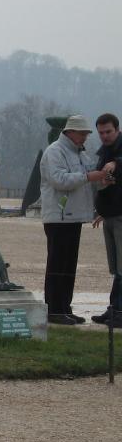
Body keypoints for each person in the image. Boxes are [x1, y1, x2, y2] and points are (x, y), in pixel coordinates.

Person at [39, 115, 111, 325]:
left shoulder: (79, 153)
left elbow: (88, 174)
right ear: (70, 132)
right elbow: (59, 180)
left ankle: (64, 307)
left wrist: (100, 177)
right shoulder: (55, 151)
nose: (85, 138)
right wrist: (89, 177)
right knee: (57, 264)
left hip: (74, 217)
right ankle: (54, 309)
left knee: (68, 265)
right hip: (58, 218)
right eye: (82, 134)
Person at [91, 113, 122, 325]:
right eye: (101, 132)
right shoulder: (103, 152)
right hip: (110, 215)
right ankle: (114, 309)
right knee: (116, 268)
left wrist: (116, 163)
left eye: (108, 131)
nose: (104, 136)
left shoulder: (115, 153)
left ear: (117, 129)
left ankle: (119, 313)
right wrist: (101, 210)